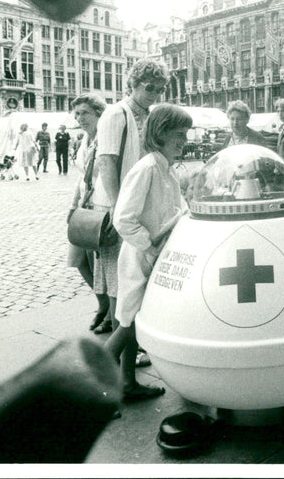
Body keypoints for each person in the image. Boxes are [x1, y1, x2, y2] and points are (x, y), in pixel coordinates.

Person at [107, 104, 193, 402]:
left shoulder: (165, 168)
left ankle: (126, 381)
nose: (184, 140)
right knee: (128, 325)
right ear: (160, 134)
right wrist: (150, 244)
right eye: (179, 134)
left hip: (154, 256)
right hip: (140, 256)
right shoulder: (147, 168)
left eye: (186, 134)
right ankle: (91, 389)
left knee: (133, 323)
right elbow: (123, 218)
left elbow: (177, 209)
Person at [93, 59, 169, 351]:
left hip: (138, 207)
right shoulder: (115, 113)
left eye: (160, 89)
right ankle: (117, 361)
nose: (154, 94)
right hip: (120, 210)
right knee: (118, 286)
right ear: (134, 83)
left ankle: (128, 353)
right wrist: (116, 208)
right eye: (150, 87)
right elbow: (106, 161)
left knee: (133, 283)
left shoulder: (149, 115)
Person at [66, 94, 109, 332]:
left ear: (99, 114)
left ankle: (110, 312)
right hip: (84, 204)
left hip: (100, 206)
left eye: (85, 113)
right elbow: (81, 178)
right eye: (77, 114)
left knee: (100, 264)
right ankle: (102, 303)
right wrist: (73, 207)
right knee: (78, 258)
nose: (80, 118)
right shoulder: (86, 139)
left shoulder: (105, 139)